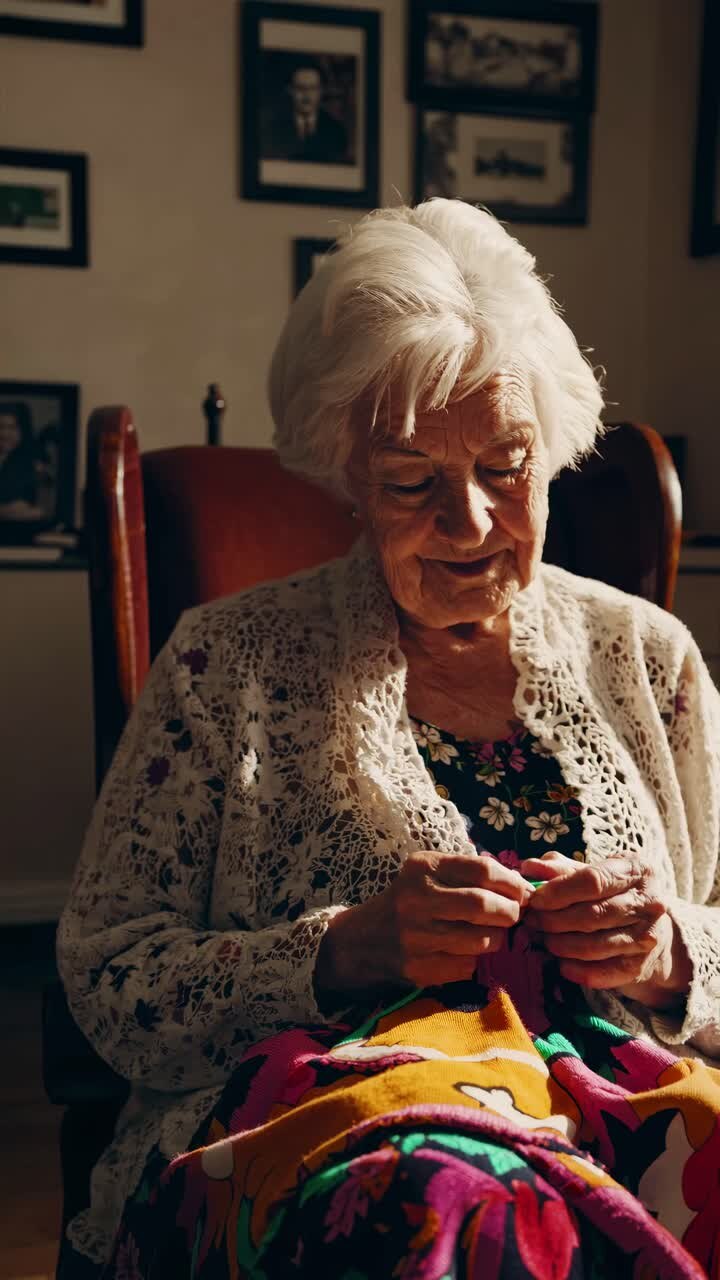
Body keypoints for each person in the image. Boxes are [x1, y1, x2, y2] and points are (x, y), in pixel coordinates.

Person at [58, 199, 720, 1279]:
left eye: (506, 469)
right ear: (347, 475)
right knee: (451, 1208)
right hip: (346, 1117)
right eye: (414, 480)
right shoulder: (226, 664)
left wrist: (669, 952)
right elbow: (113, 973)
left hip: (635, 1106)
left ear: (550, 454)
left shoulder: (650, 661)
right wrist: (341, 948)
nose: (468, 523)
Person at [262, 60, 349, 165]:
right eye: (300, 88)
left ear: (321, 91)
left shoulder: (336, 132)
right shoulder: (273, 130)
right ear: (290, 90)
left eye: (312, 88)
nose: (306, 95)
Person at [0, 402, 43, 520]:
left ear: (23, 430)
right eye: (1, 427)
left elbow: (37, 512)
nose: (4, 434)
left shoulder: (31, 464)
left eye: (12, 428)